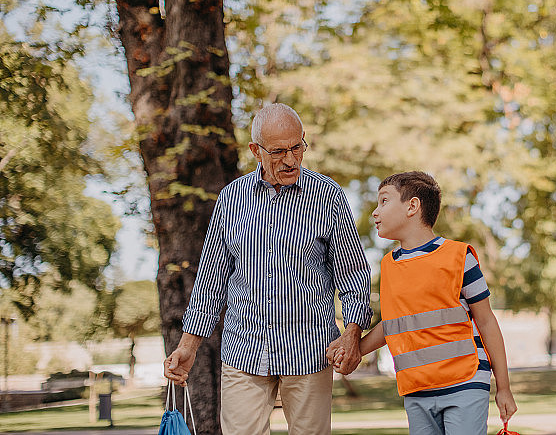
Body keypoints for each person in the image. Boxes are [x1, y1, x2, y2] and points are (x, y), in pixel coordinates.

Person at [164, 103, 372, 435]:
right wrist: (188, 347)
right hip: (244, 349)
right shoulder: (231, 198)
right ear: (255, 152)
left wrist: (351, 333)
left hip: (310, 350)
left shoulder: (327, 195)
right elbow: (210, 280)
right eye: (278, 152)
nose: (291, 160)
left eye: (297, 147)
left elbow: (353, 275)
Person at [327, 171, 517, 434]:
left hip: (465, 380)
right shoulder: (388, 266)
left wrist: (504, 388)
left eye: (384, 201)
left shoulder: (459, 257)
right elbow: (392, 325)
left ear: (412, 207)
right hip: (416, 388)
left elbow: (486, 322)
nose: (374, 212)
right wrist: (354, 349)